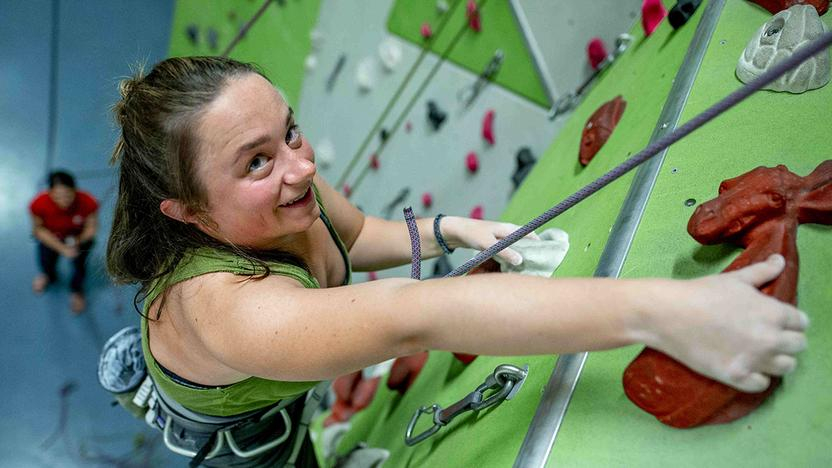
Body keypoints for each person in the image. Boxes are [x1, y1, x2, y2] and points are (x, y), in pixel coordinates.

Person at [106, 57, 808, 466]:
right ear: (190, 213)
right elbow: (417, 317)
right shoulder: (231, 311)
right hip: (248, 440)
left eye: (289, 131)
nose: (302, 166)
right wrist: (667, 310)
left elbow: (358, 238)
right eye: (257, 161)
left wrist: (452, 230)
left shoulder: (291, 186)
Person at [30, 170, 98, 313]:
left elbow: (91, 228)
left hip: (78, 239)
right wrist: (62, 248)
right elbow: (39, 230)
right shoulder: (38, 204)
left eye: (67, 195)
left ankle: (76, 291)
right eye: (57, 196)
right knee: (46, 261)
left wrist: (77, 241)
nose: (63, 200)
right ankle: (47, 276)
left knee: (79, 267)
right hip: (52, 239)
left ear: (75, 190)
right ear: (49, 192)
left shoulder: (88, 202)